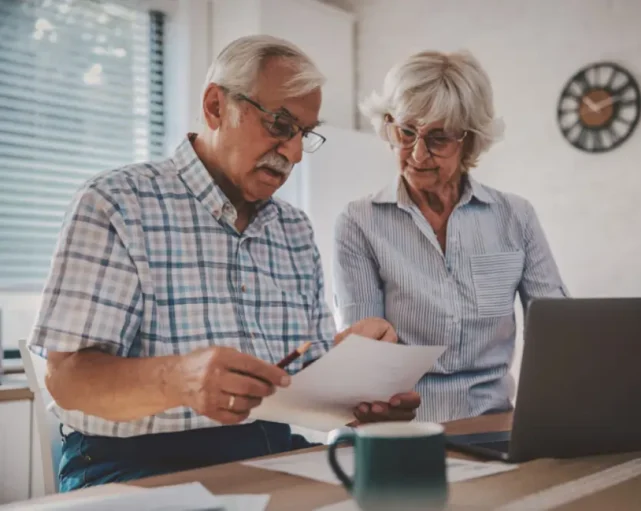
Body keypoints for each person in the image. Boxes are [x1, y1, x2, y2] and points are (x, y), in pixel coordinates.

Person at [29, 35, 420, 492]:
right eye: (279, 124)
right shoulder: (116, 203)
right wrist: (177, 379)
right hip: (134, 467)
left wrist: (358, 383)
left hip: (272, 451)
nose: (293, 153)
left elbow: (297, 377)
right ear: (216, 105)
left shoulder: (293, 229)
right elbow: (68, 379)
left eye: (304, 134)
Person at [333, 49, 568, 423]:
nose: (417, 153)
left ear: (469, 142)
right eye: (405, 132)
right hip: (403, 427)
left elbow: (560, 334)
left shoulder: (515, 217)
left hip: (494, 421)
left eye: (438, 139)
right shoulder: (360, 222)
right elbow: (366, 360)